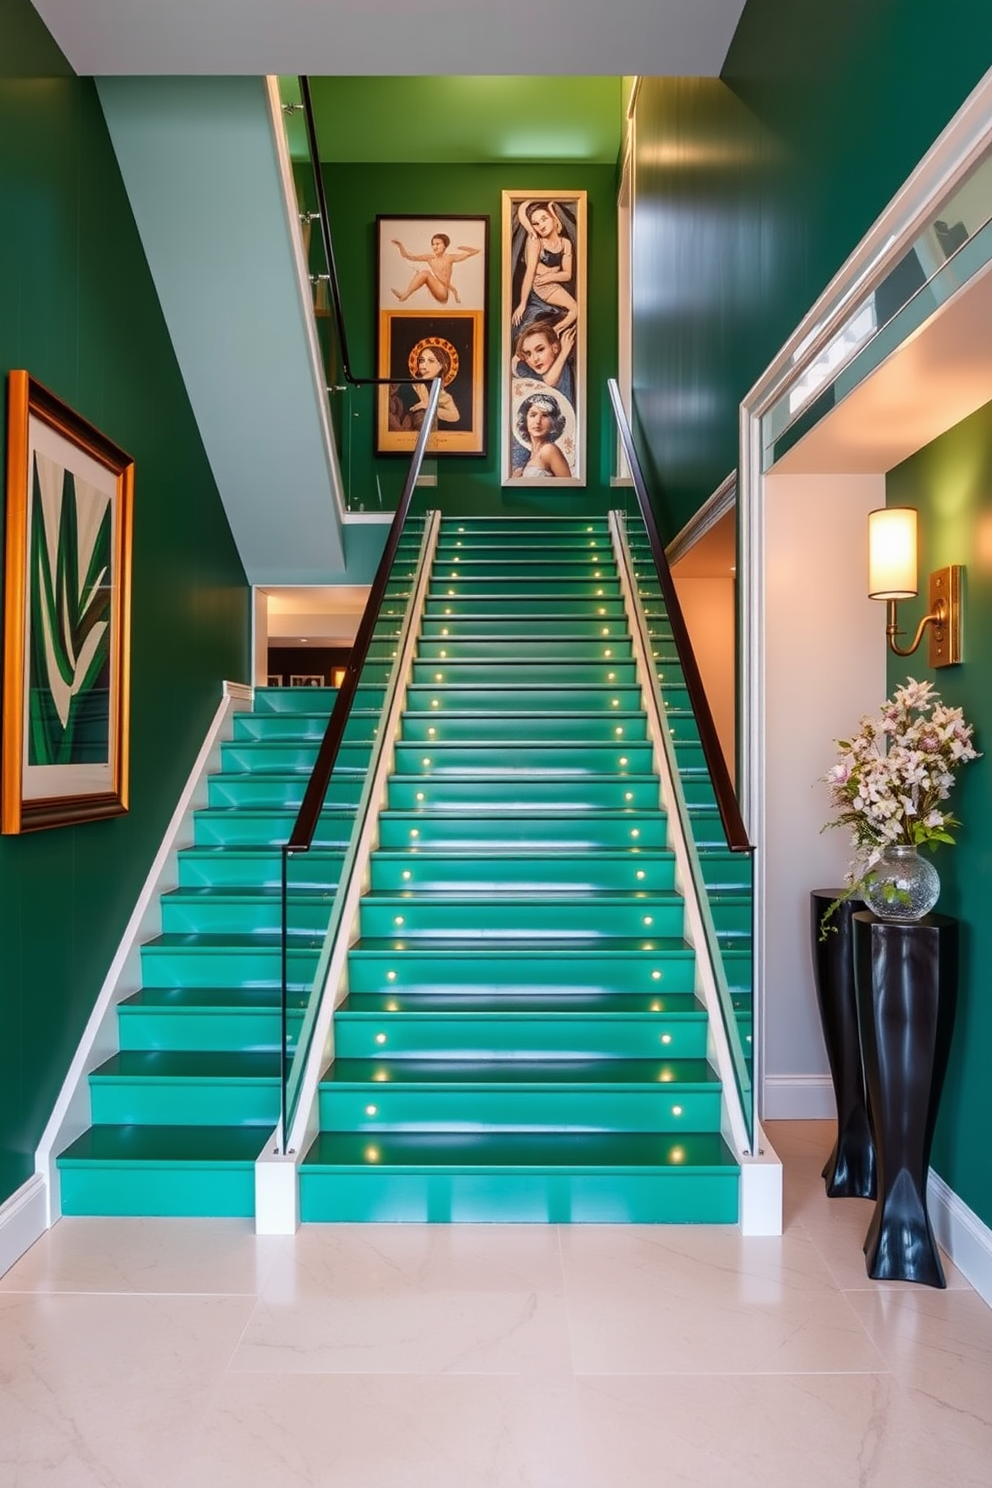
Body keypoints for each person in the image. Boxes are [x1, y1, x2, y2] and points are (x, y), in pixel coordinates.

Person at [512, 201, 578, 330]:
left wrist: (549, 276)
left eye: (544, 219)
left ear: (554, 220)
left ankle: (555, 331)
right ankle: (555, 332)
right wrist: (522, 304)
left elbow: (567, 275)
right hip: (540, 286)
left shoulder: (565, 243)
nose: (541, 225)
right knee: (574, 308)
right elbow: (530, 272)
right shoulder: (536, 242)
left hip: (548, 282)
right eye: (536, 224)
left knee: (575, 309)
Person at [389, 341, 460, 430]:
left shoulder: (443, 395)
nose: (423, 366)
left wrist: (429, 407)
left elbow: (454, 415)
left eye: (431, 361)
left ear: (441, 365)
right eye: (422, 361)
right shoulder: (408, 386)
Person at [391, 233, 480, 304]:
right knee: (422, 273)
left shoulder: (450, 258)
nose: (435, 247)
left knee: (425, 273)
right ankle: (404, 295)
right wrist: (400, 246)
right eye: (433, 244)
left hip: (443, 293)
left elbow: (475, 252)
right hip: (437, 289)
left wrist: (464, 247)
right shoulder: (430, 258)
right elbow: (408, 256)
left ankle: (404, 296)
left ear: (445, 245)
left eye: (438, 244)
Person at [512, 317, 576, 404]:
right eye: (528, 354)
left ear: (555, 348)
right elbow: (514, 365)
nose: (535, 359)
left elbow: (549, 382)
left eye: (540, 349)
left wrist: (564, 352)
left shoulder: (562, 366)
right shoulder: (528, 371)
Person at [511, 391, 571, 479]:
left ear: (553, 422)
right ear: (525, 420)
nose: (538, 421)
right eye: (533, 415)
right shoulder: (531, 455)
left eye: (545, 415)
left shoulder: (549, 450)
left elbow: (569, 487)